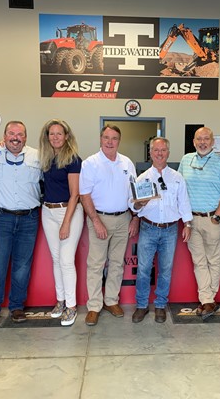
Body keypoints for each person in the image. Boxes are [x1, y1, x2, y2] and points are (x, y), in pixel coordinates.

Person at [79, 124, 139, 326]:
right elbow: (84, 194)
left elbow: (133, 193)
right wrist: (96, 221)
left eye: (114, 138)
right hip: (100, 218)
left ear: (119, 141)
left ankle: (111, 301)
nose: (110, 142)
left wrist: (135, 217)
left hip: (123, 218)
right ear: (100, 139)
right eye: (106, 137)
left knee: (117, 263)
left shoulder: (127, 163)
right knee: (96, 264)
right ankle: (94, 306)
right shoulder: (91, 163)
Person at [132, 137, 193, 323]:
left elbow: (183, 202)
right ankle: (141, 305)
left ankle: (160, 305)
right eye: (156, 150)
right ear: (150, 153)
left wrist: (188, 224)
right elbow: (134, 206)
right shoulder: (142, 178)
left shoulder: (177, 178)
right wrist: (139, 204)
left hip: (170, 230)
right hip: (148, 228)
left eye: (163, 150)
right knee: (143, 269)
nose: (159, 153)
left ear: (168, 152)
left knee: (165, 270)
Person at [178, 127, 220, 320]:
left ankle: (208, 299)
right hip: (191, 220)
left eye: (206, 139)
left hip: (213, 218)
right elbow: (178, 188)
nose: (202, 142)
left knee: (213, 259)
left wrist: (217, 217)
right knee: (199, 261)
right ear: (193, 142)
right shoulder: (186, 160)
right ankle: (207, 300)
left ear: (212, 142)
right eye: (199, 139)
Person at [0, 121, 42, 327]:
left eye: (20, 134)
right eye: (11, 133)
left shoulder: (37, 156)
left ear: (26, 137)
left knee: (22, 266)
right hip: (2, 218)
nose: (15, 137)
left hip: (29, 219)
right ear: (4, 136)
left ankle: (16, 307)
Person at [39, 119, 84, 327]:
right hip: (48, 211)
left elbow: (75, 194)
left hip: (69, 211)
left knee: (66, 261)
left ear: (67, 136)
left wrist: (66, 223)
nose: (55, 137)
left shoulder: (73, 159)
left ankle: (72, 306)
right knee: (56, 260)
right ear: (47, 136)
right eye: (52, 134)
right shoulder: (45, 157)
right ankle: (60, 301)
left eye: (59, 133)